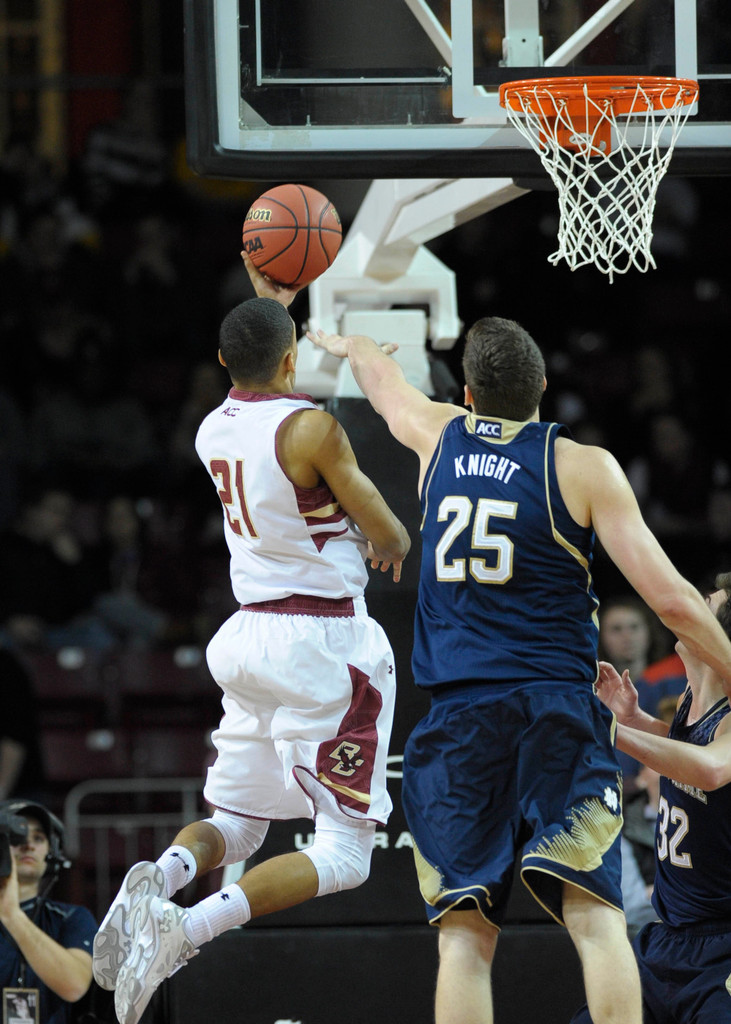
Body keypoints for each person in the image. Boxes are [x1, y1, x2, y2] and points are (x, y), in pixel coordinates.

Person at [308, 316, 731, 1024]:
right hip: (555, 714)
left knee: (465, 943)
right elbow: (673, 604)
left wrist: (350, 346)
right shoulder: (581, 465)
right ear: (541, 386)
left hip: (456, 719)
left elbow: (383, 386)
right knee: (595, 922)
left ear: (468, 393)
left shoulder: (436, 432)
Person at [92, 256, 411, 1024]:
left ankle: (160, 878)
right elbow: (390, 530)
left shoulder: (210, 430)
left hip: (247, 634)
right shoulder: (312, 428)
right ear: (294, 356)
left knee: (239, 823)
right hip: (323, 643)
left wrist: (270, 299)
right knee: (343, 855)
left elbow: (259, 360)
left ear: (222, 362)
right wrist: (382, 536)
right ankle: (186, 927)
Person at [571, 571, 731, 1023]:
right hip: (667, 938)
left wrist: (613, 731)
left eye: (708, 602)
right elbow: (687, 750)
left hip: (722, 943)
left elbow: (712, 767)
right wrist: (635, 718)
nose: (692, 605)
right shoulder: (691, 696)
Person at [0, 800, 97, 1024]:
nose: (28, 845)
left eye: (38, 838)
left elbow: (74, 985)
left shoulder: (72, 918)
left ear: (52, 854)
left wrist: (12, 916)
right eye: (16, 837)